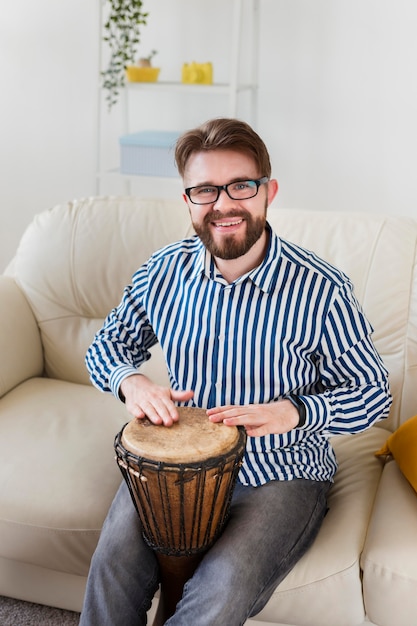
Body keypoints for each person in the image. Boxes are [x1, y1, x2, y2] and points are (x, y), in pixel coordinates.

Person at [80, 117, 391, 626]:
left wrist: (295, 411)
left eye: (240, 186)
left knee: (220, 592)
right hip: (173, 470)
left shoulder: (322, 289)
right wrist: (131, 382)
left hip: (282, 472)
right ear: (188, 201)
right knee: (112, 568)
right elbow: (107, 345)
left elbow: (373, 393)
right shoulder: (163, 271)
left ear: (268, 191)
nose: (223, 204)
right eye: (205, 190)